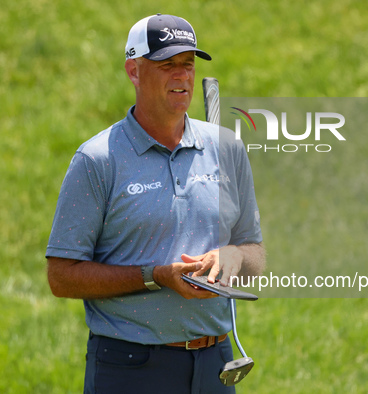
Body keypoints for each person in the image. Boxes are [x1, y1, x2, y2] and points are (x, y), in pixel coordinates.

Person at [45, 13, 265, 394]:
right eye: (167, 65)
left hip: (216, 363)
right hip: (131, 366)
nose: (182, 76)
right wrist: (155, 276)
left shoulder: (226, 147)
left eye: (188, 65)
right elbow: (61, 275)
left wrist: (230, 258)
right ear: (134, 71)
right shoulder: (97, 160)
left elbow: (255, 255)